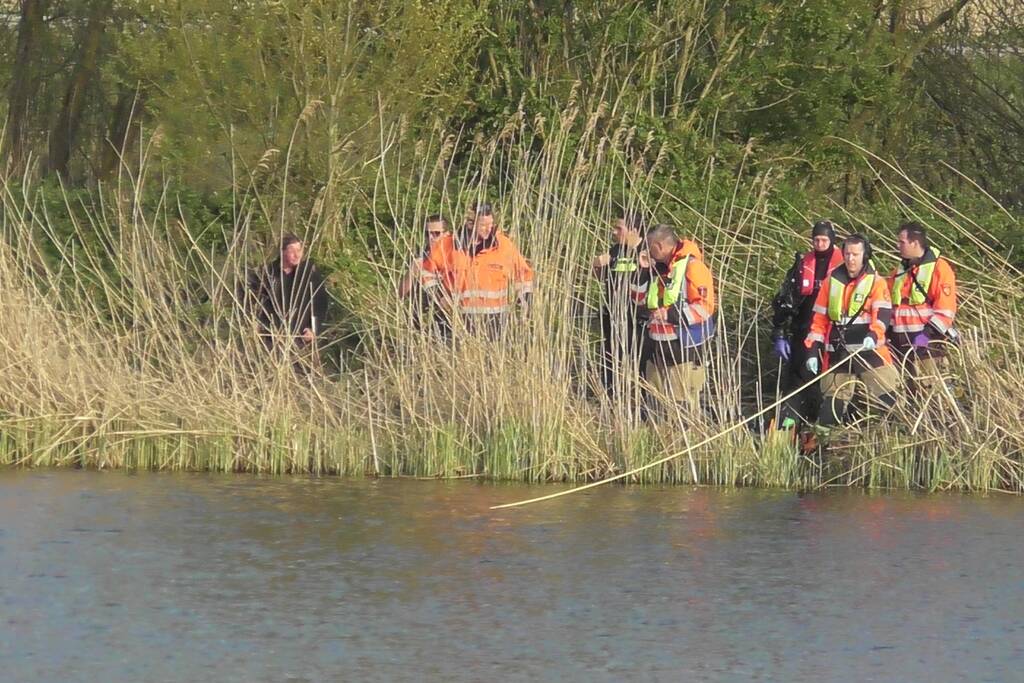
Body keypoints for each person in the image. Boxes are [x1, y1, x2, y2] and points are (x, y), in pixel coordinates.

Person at [804, 234, 900, 429]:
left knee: (891, 401)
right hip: (838, 354)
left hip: (870, 352)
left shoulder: (876, 282)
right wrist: (813, 351)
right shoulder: (831, 282)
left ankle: (897, 439)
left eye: (855, 254)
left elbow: (881, 316)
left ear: (865, 256)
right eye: (847, 253)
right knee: (831, 408)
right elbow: (818, 321)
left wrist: (873, 335)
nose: (850, 259)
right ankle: (821, 448)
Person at [770, 220, 844, 428]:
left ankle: (822, 429)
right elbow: (785, 301)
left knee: (827, 385)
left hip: (832, 334)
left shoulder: (844, 265)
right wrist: (779, 333)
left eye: (824, 240)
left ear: (832, 240)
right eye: (816, 240)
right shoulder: (803, 265)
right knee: (797, 382)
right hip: (803, 332)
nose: (819, 244)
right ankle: (789, 427)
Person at [421, 202, 533, 333]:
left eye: (490, 224)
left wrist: (526, 303)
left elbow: (525, 275)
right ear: (470, 224)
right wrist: (439, 296)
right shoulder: (447, 245)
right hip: (457, 321)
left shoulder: (504, 245)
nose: (488, 229)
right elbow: (425, 272)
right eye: (483, 225)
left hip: (497, 323)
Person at [641, 224, 715, 410]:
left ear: (658, 246)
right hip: (657, 349)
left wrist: (670, 315)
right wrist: (642, 271)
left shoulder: (693, 267)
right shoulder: (660, 270)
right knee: (655, 406)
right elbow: (641, 300)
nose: (647, 251)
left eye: (649, 246)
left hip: (683, 350)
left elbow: (705, 307)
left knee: (682, 409)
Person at [888, 222, 958, 395]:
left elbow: (945, 311)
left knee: (935, 394)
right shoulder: (899, 270)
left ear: (915, 243)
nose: (898, 246)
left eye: (901, 242)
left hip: (927, 344)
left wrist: (923, 339)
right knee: (910, 394)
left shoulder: (940, 268)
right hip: (901, 345)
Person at [591, 212, 650, 397]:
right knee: (610, 359)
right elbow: (602, 279)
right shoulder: (616, 250)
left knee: (640, 364)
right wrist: (597, 265)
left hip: (638, 320)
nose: (613, 231)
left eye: (619, 228)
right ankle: (610, 397)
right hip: (613, 316)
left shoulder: (646, 252)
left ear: (634, 230)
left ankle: (641, 401)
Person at [245, 233, 329, 353]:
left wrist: (314, 329)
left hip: (300, 337)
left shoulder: (308, 274)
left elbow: (320, 304)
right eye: (292, 251)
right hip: (270, 336)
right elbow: (252, 299)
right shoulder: (267, 273)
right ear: (282, 252)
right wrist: (254, 325)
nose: (297, 255)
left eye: (299, 250)